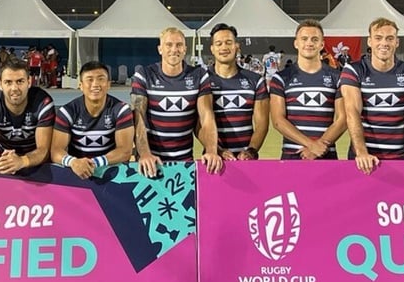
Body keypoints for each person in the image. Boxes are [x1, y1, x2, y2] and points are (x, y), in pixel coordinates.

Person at [340, 17, 404, 175]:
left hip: (398, 157)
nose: (384, 43)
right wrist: (361, 152)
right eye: (378, 38)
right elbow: (352, 112)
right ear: (369, 41)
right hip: (363, 159)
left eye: (390, 38)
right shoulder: (354, 70)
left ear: (397, 42)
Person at [131, 26, 223, 176]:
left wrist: (212, 150)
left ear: (185, 49)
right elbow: (138, 116)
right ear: (160, 49)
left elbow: (206, 115)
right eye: (169, 45)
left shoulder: (198, 75)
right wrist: (144, 154)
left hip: (185, 161)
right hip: (151, 162)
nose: (174, 49)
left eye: (179, 45)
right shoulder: (145, 75)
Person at [269, 19, 345, 160]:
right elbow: (278, 120)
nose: (309, 43)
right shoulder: (281, 78)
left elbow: (343, 119)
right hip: (293, 156)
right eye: (304, 39)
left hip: (326, 155)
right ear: (296, 43)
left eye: (314, 39)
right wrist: (311, 145)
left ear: (322, 44)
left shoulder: (337, 77)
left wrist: (319, 146)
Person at [51, 60, 135, 179]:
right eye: (89, 80)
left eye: (101, 79)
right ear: (80, 85)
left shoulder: (121, 110)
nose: (95, 84)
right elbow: (56, 151)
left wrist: (93, 163)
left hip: (111, 174)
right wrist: (73, 162)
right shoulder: (67, 111)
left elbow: (125, 151)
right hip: (77, 174)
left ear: (109, 84)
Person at [0, 54, 55, 175]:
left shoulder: (43, 103)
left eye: (20, 81)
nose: (14, 88)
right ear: (0, 85)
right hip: (2, 157)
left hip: (34, 162)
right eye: (8, 82)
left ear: (29, 82)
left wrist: (22, 161)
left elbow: (43, 150)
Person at [206, 23, 269, 160]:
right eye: (219, 43)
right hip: (214, 159)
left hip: (246, 161)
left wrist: (251, 151)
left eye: (228, 42)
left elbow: (262, 123)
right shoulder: (202, 80)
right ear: (212, 49)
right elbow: (198, 122)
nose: (224, 47)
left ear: (237, 46)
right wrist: (217, 149)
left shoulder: (255, 80)